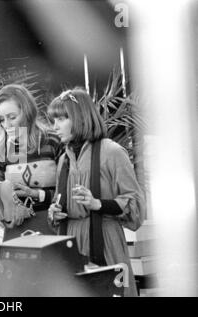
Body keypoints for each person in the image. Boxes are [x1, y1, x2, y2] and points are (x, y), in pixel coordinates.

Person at [47, 88, 146, 297]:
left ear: (81, 117)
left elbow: (136, 207)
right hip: (70, 244)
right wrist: (54, 212)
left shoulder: (112, 152)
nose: (54, 126)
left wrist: (98, 204)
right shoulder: (64, 159)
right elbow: (58, 200)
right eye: (53, 119)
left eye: (62, 118)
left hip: (105, 242)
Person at [0, 84, 62, 240]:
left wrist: (39, 195)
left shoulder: (53, 141)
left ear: (27, 112)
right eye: (2, 119)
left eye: (12, 117)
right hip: (15, 235)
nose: (7, 125)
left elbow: (67, 192)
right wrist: (9, 212)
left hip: (54, 231)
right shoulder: (0, 151)